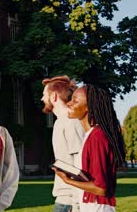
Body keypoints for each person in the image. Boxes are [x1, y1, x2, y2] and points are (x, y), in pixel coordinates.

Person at [54, 84, 126, 212]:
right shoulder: (90, 135)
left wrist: (67, 180)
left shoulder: (97, 137)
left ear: (88, 107)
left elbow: (100, 188)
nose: (69, 104)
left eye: (75, 101)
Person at [41, 76, 85, 212]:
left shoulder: (71, 122)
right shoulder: (61, 122)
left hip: (70, 202)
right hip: (64, 199)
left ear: (53, 96)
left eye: (44, 95)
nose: (42, 99)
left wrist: (76, 205)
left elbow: (81, 164)